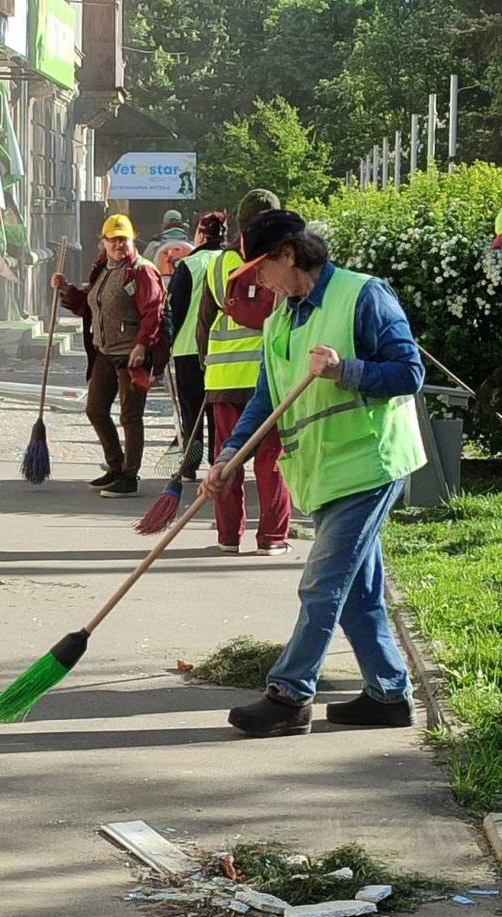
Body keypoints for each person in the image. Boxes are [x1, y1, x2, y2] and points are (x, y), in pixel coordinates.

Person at [201, 210, 427, 738]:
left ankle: (288, 695)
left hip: (370, 464)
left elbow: (409, 373)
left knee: (322, 585)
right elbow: (265, 399)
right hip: (323, 473)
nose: (255, 281)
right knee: (357, 592)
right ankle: (389, 695)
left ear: (288, 254)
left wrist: (346, 369)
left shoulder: (363, 295)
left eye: (259, 267)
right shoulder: (281, 318)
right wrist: (229, 457)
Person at [197, 188, 291, 555]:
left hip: (223, 381)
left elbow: (204, 325)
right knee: (270, 461)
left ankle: (227, 537)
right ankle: (271, 538)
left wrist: (206, 368)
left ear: (238, 224)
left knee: (227, 461)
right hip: (269, 382)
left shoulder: (219, 265)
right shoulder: (283, 263)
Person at [53, 214, 168, 498]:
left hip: (132, 355)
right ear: (103, 242)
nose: (118, 245)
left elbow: (154, 311)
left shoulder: (142, 271)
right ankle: (115, 466)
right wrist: (67, 290)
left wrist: (142, 346)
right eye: (112, 239)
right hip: (104, 351)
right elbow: (90, 306)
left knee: (130, 416)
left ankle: (130, 476)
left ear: (132, 239)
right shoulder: (103, 269)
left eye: (123, 239)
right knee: (95, 409)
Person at [166, 211, 227, 477]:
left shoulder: (189, 265)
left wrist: (166, 342)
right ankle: (218, 462)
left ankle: (190, 464)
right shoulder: (231, 262)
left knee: (192, 410)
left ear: (200, 234)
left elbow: (175, 309)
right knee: (217, 410)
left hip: (188, 347)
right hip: (223, 348)